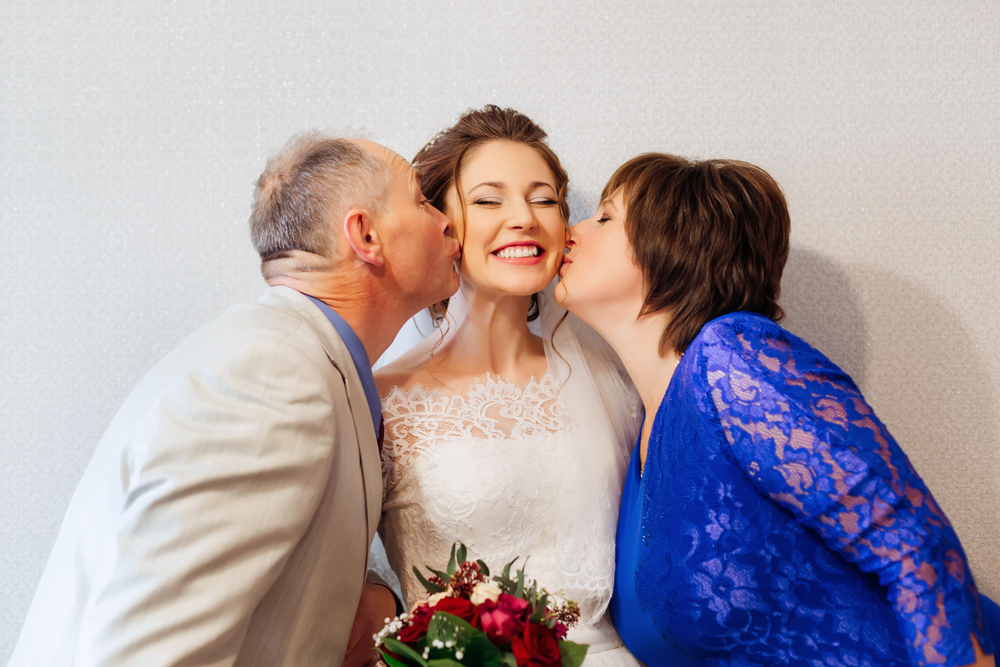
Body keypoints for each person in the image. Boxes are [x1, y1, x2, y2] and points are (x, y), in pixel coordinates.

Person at [8, 134, 461, 667]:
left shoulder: (305, 362)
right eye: (422, 200)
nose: (448, 219)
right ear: (365, 234)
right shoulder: (274, 376)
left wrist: (369, 600)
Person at [556, 152, 1000, 666]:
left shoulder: (733, 358)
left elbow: (912, 543)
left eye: (605, 216)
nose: (571, 230)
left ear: (675, 248)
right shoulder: (640, 434)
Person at [373, 106, 642, 666]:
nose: (523, 217)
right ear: (440, 223)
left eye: (543, 199)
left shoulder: (612, 381)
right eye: (489, 200)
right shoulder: (382, 399)